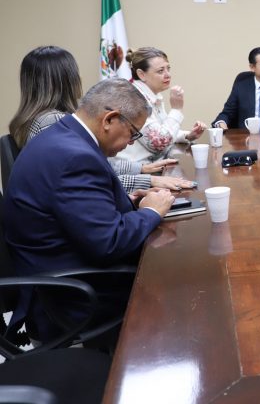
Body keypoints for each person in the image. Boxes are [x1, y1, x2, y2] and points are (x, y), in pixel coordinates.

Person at [4, 78, 175, 339]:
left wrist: (130, 203)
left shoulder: (63, 136)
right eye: (133, 132)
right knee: (178, 284)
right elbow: (109, 243)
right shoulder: (75, 157)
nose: (132, 142)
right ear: (109, 119)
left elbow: (74, 212)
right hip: (73, 295)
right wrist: (150, 213)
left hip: (60, 274)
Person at [7, 46, 193, 192]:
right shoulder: (54, 123)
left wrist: (140, 169)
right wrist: (148, 181)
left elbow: (93, 164)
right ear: (69, 80)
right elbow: (88, 179)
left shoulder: (41, 119)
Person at [118, 47, 208, 163]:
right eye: (160, 71)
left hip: (156, 163)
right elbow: (159, 143)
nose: (168, 75)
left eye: (168, 69)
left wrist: (188, 136)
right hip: (137, 169)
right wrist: (176, 109)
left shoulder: (152, 95)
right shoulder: (134, 99)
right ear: (141, 74)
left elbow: (162, 130)